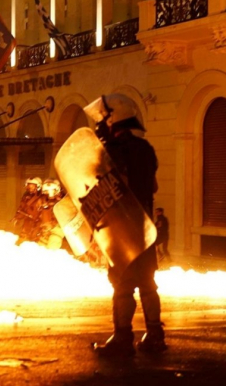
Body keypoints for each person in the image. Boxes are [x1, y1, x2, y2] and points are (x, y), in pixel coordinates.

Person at [86, 94, 167, 356]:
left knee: (122, 285)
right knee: (147, 283)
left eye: (104, 118)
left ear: (113, 118)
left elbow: (107, 189)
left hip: (121, 229)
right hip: (144, 227)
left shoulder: (112, 152)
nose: (101, 123)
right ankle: (155, 336)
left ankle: (122, 339)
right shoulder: (146, 149)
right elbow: (152, 186)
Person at [13, 177, 43, 244]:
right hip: (28, 221)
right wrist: (17, 217)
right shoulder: (26, 195)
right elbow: (22, 207)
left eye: (32, 186)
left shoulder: (43, 197)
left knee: (36, 240)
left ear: (38, 186)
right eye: (29, 186)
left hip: (39, 223)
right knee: (23, 238)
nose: (30, 188)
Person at [37, 178, 64, 250]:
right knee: (40, 249)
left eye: (52, 190)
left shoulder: (63, 200)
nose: (50, 193)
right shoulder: (42, 201)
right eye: (47, 190)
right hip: (45, 230)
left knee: (52, 248)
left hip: (56, 230)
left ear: (57, 189)